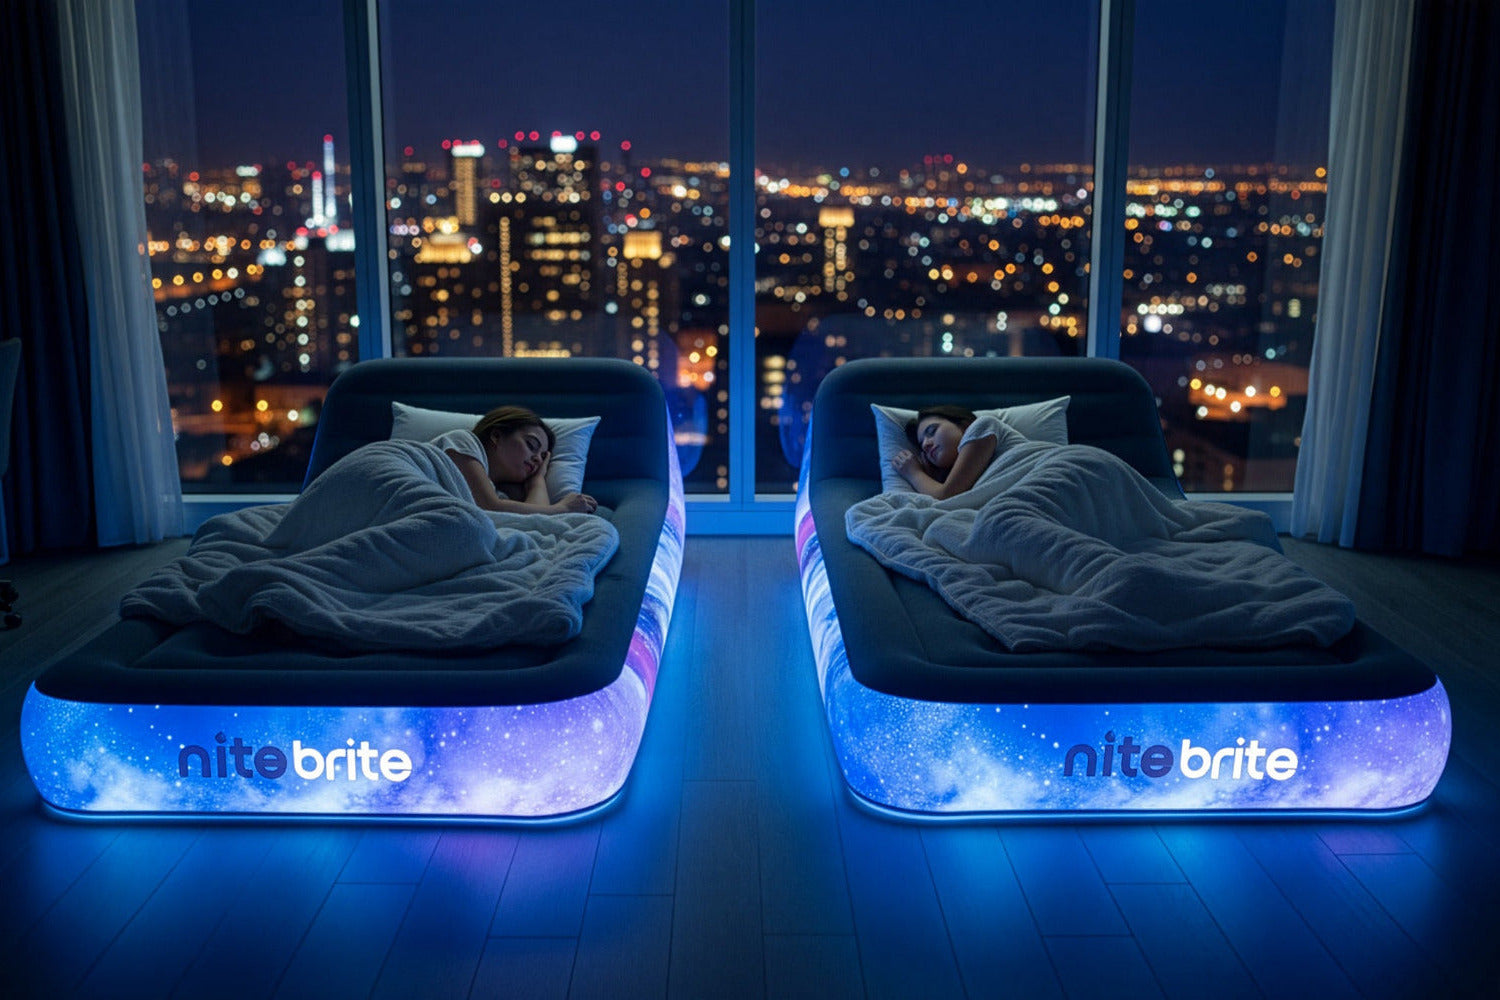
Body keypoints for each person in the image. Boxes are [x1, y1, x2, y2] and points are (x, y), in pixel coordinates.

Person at [431, 405, 599, 514]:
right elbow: (490, 507)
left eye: (542, 458)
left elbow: (534, 520)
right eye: (531, 445)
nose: (537, 460)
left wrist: (537, 480)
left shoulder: (499, 495)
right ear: (496, 436)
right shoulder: (461, 441)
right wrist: (562, 508)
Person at [890, 404, 1006, 499]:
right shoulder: (970, 485)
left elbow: (946, 496)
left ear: (965, 426)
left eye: (932, 431)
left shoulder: (985, 426)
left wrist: (913, 472)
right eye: (921, 445)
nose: (925, 444)